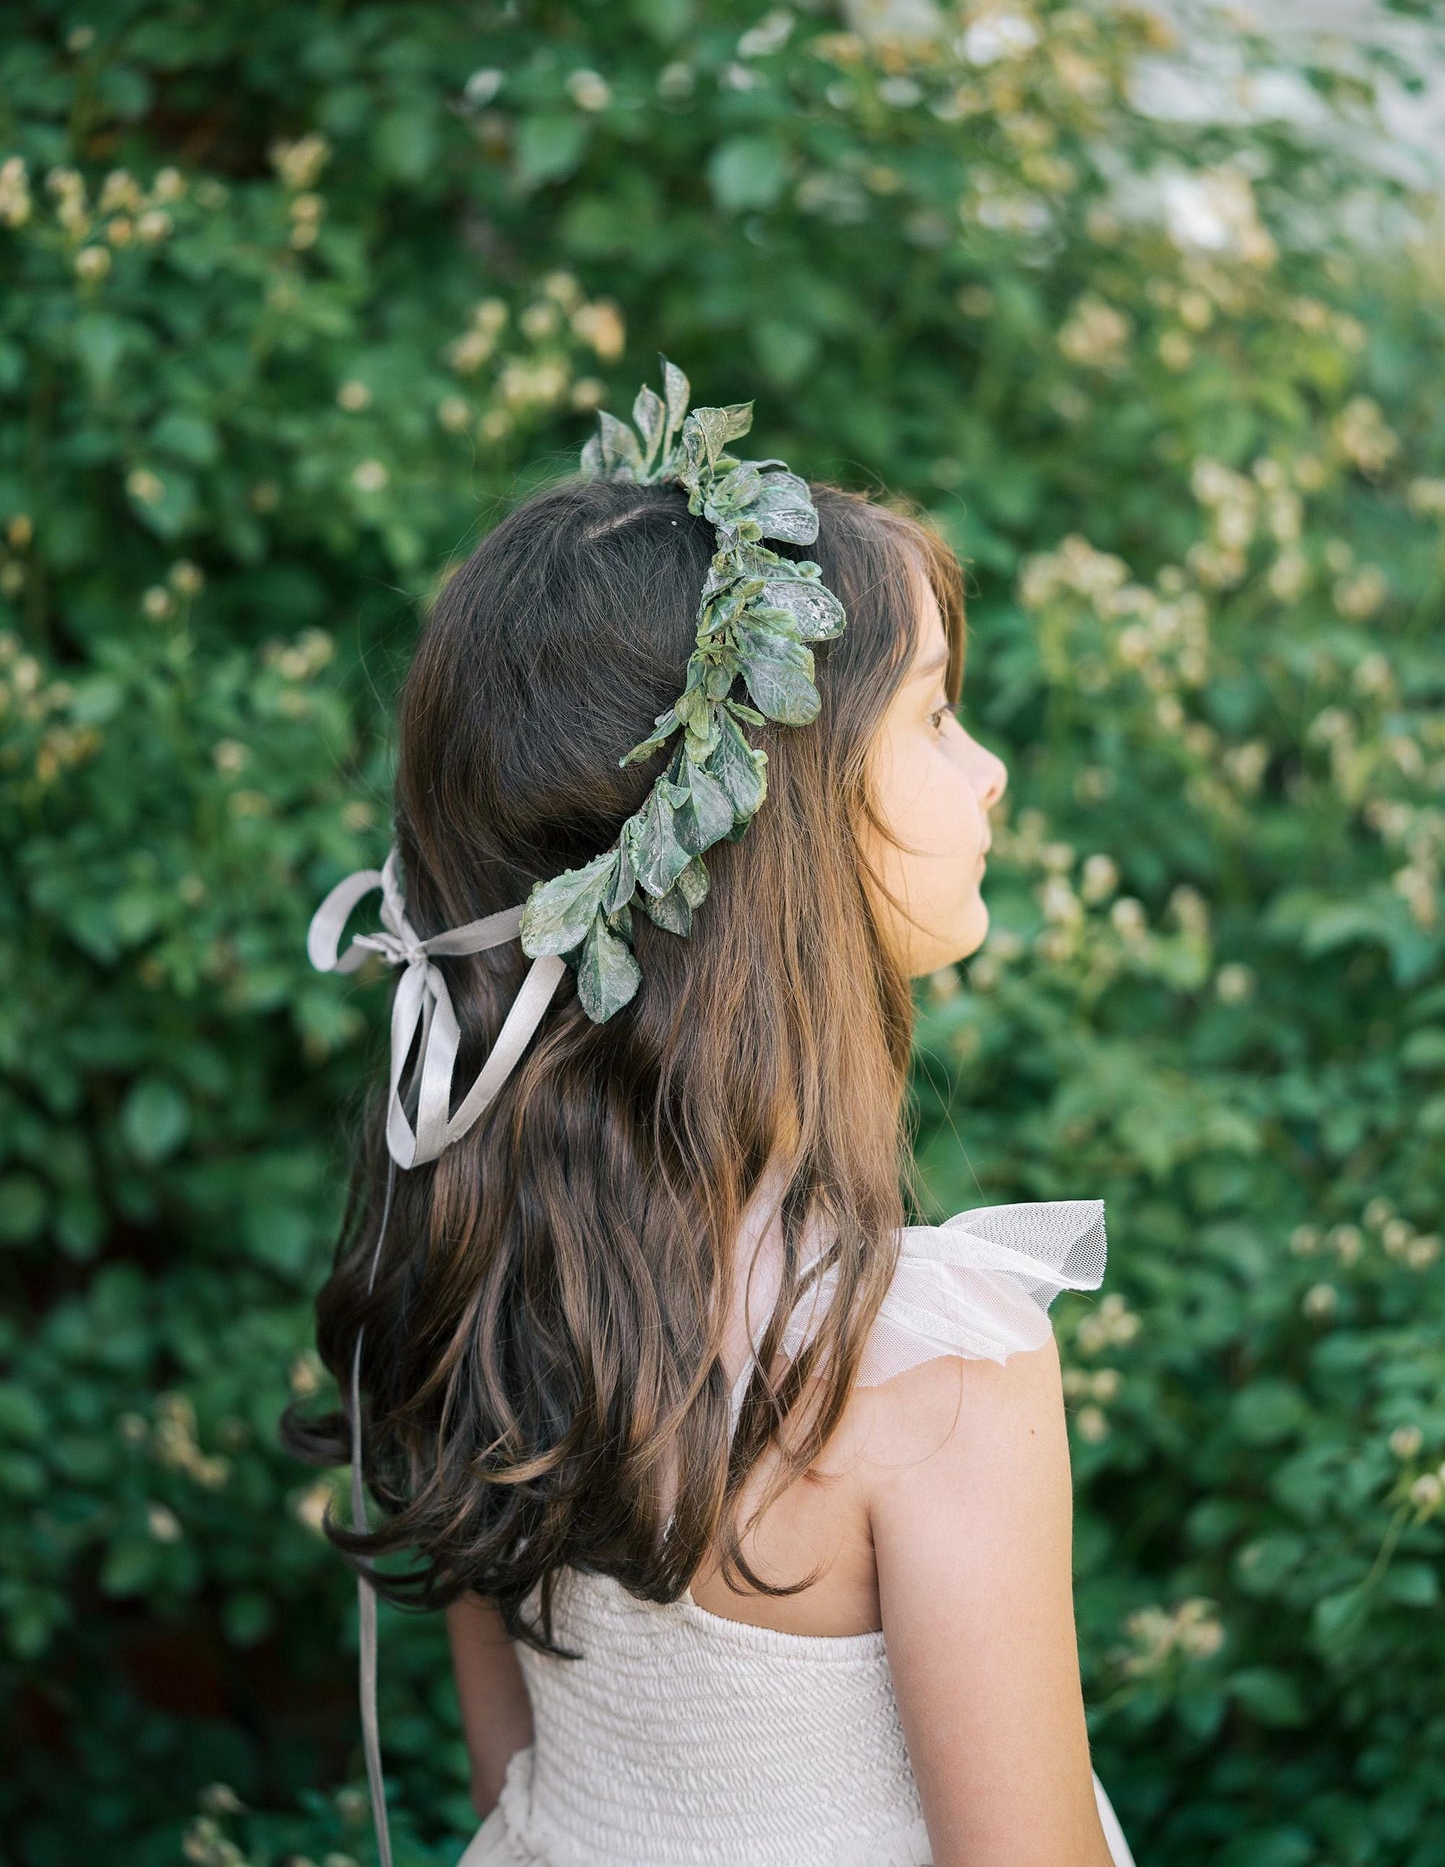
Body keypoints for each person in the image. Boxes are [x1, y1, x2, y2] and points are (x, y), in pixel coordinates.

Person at [284, 364, 1137, 1867]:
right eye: (935, 713)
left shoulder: (490, 1268)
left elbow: (517, 1794)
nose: (987, 768)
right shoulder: (923, 1362)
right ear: (782, 819)